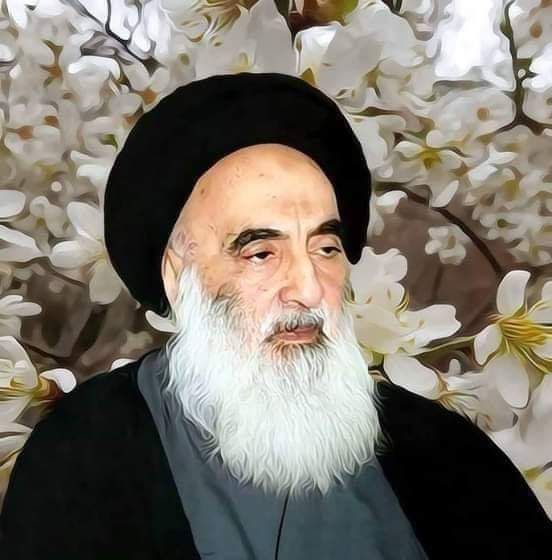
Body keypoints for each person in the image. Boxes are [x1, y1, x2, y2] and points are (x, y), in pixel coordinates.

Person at [0, 72, 550, 560]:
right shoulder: (84, 453)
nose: (308, 288)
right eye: (261, 253)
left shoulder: (442, 450)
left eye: (326, 249)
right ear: (177, 276)